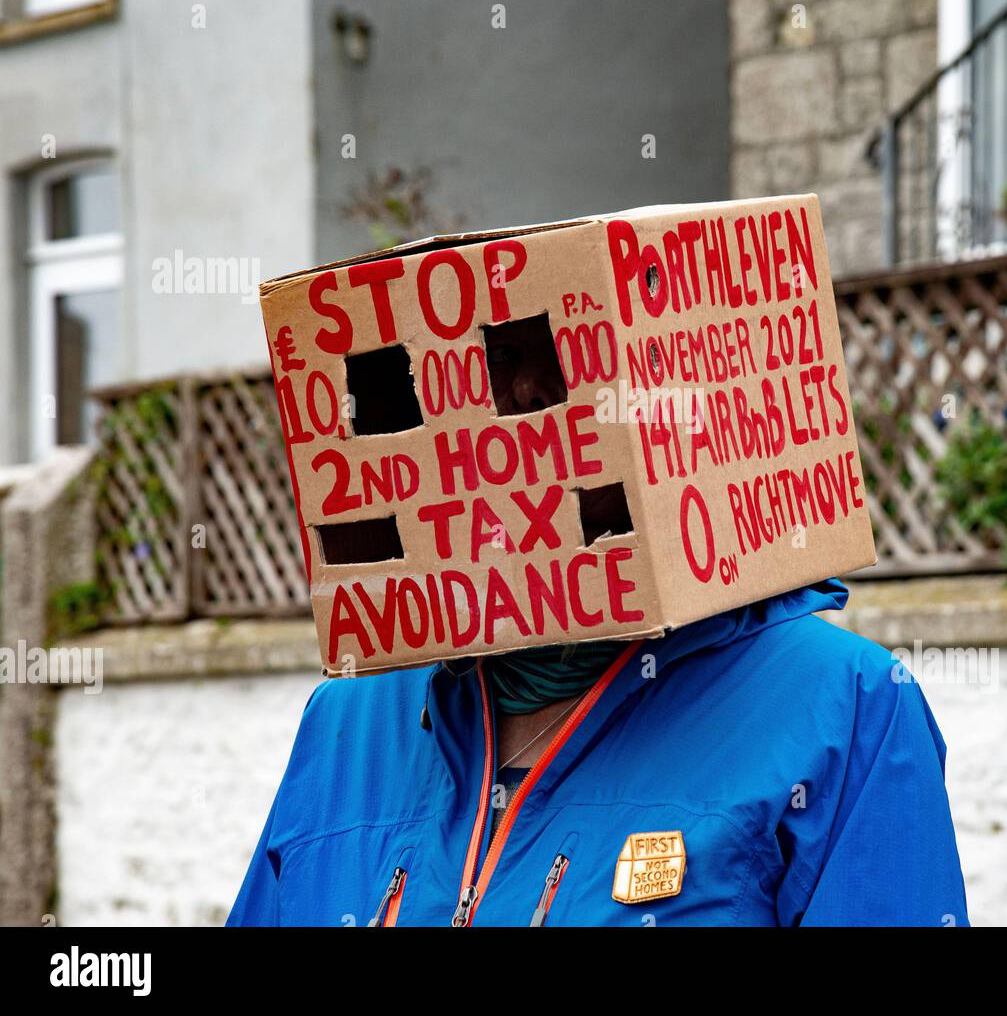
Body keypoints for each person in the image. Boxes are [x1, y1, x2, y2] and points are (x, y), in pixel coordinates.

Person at [227, 328, 969, 927]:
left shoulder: (844, 705)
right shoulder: (350, 718)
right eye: (500, 354)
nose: (527, 394)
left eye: (570, 351)